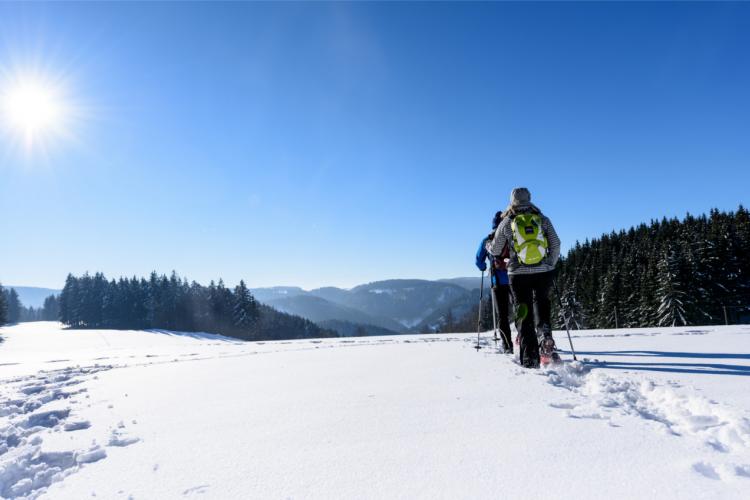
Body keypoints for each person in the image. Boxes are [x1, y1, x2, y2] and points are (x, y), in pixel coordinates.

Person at [487, 187, 561, 368]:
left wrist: (489, 245)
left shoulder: (507, 221)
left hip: (518, 274)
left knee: (523, 313)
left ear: (512, 200)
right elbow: (556, 243)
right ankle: (544, 335)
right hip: (543, 272)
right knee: (542, 303)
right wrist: (550, 263)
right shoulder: (542, 219)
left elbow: (496, 250)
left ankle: (530, 358)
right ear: (529, 199)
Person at [475, 211, 512, 352]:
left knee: (502, 315)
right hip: (516, 278)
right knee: (522, 309)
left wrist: (484, 266)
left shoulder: (487, 239)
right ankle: (524, 339)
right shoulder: (512, 235)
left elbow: (478, 261)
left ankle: (507, 345)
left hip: (498, 281)